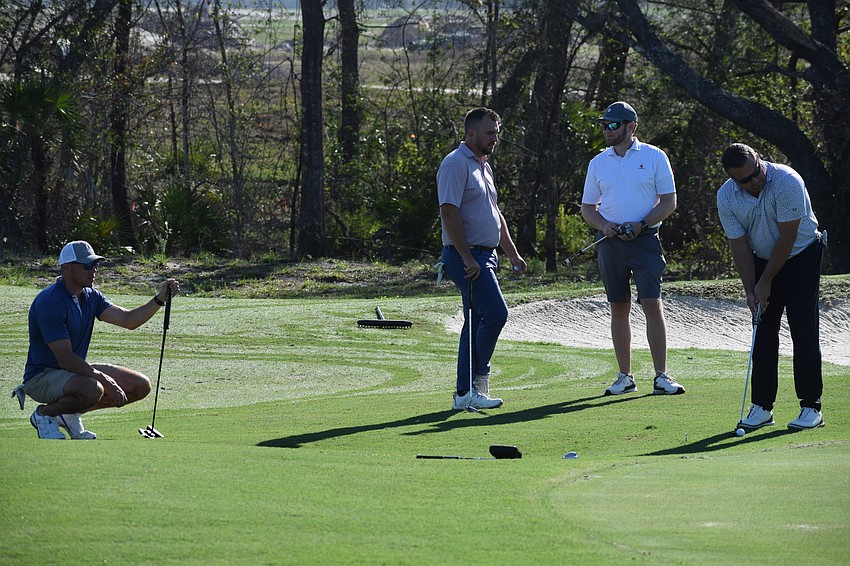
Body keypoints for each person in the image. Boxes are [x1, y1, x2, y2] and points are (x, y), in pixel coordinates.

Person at [18, 240, 180, 439]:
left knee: (139, 385)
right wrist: (104, 379)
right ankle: (45, 414)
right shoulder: (50, 301)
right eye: (87, 265)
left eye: (95, 264)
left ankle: (68, 413)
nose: (93, 270)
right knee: (93, 388)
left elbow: (128, 320)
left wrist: (160, 298)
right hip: (42, 376)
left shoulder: (91, 296)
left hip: (72, 373)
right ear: (67, 268)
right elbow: (65, 359)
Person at [717, 143, 825, 430]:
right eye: (745, 180)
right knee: (763, 332)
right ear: (732, 178)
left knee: (803, 330)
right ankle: (762, 407)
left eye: (756, 173)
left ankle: (811, 407)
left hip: (802, 255)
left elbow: (787, 238)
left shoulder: (788, 181)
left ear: (759, 160)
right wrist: (751, 290)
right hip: (762, 259)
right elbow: (739, 246)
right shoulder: (726, 196)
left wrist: (765, 283)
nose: (754, 181)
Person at [580, 101, 685, 396]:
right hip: (610, 243)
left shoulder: (654, 157)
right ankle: (625, 376)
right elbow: (588, 208)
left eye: (613, 125)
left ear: (631, 127)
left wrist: (641, 224)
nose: (606, 130)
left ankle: (662, 375)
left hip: (645, 239)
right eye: (604, 125)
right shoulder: (598, 162)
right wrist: (603, 226)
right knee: (619, 306)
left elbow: (668, 201)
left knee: (652, 303)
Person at [438, 107, 526, 410]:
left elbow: (495, 215)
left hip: (485, 255)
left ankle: (464, 395)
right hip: (467, 256)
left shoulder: (483, 166)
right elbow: (448, 212)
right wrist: (467, 258)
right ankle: (477, 384)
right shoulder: (455, 164)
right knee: (497, 314)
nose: (495, 138)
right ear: (471, 133)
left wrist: (512, 253)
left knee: (475, 321)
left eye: (497, 133)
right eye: (490, 133)